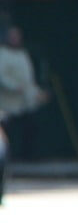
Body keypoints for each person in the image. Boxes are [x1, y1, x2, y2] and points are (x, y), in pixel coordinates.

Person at [0, 25, 48, 204]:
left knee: (30, 129)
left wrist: (37, 93)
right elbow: (3, 77)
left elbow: (28, 80)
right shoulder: (2, 54)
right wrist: (14, 87)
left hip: (24, 103)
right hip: (6, 104)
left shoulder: (23, 55)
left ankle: (29, 157)